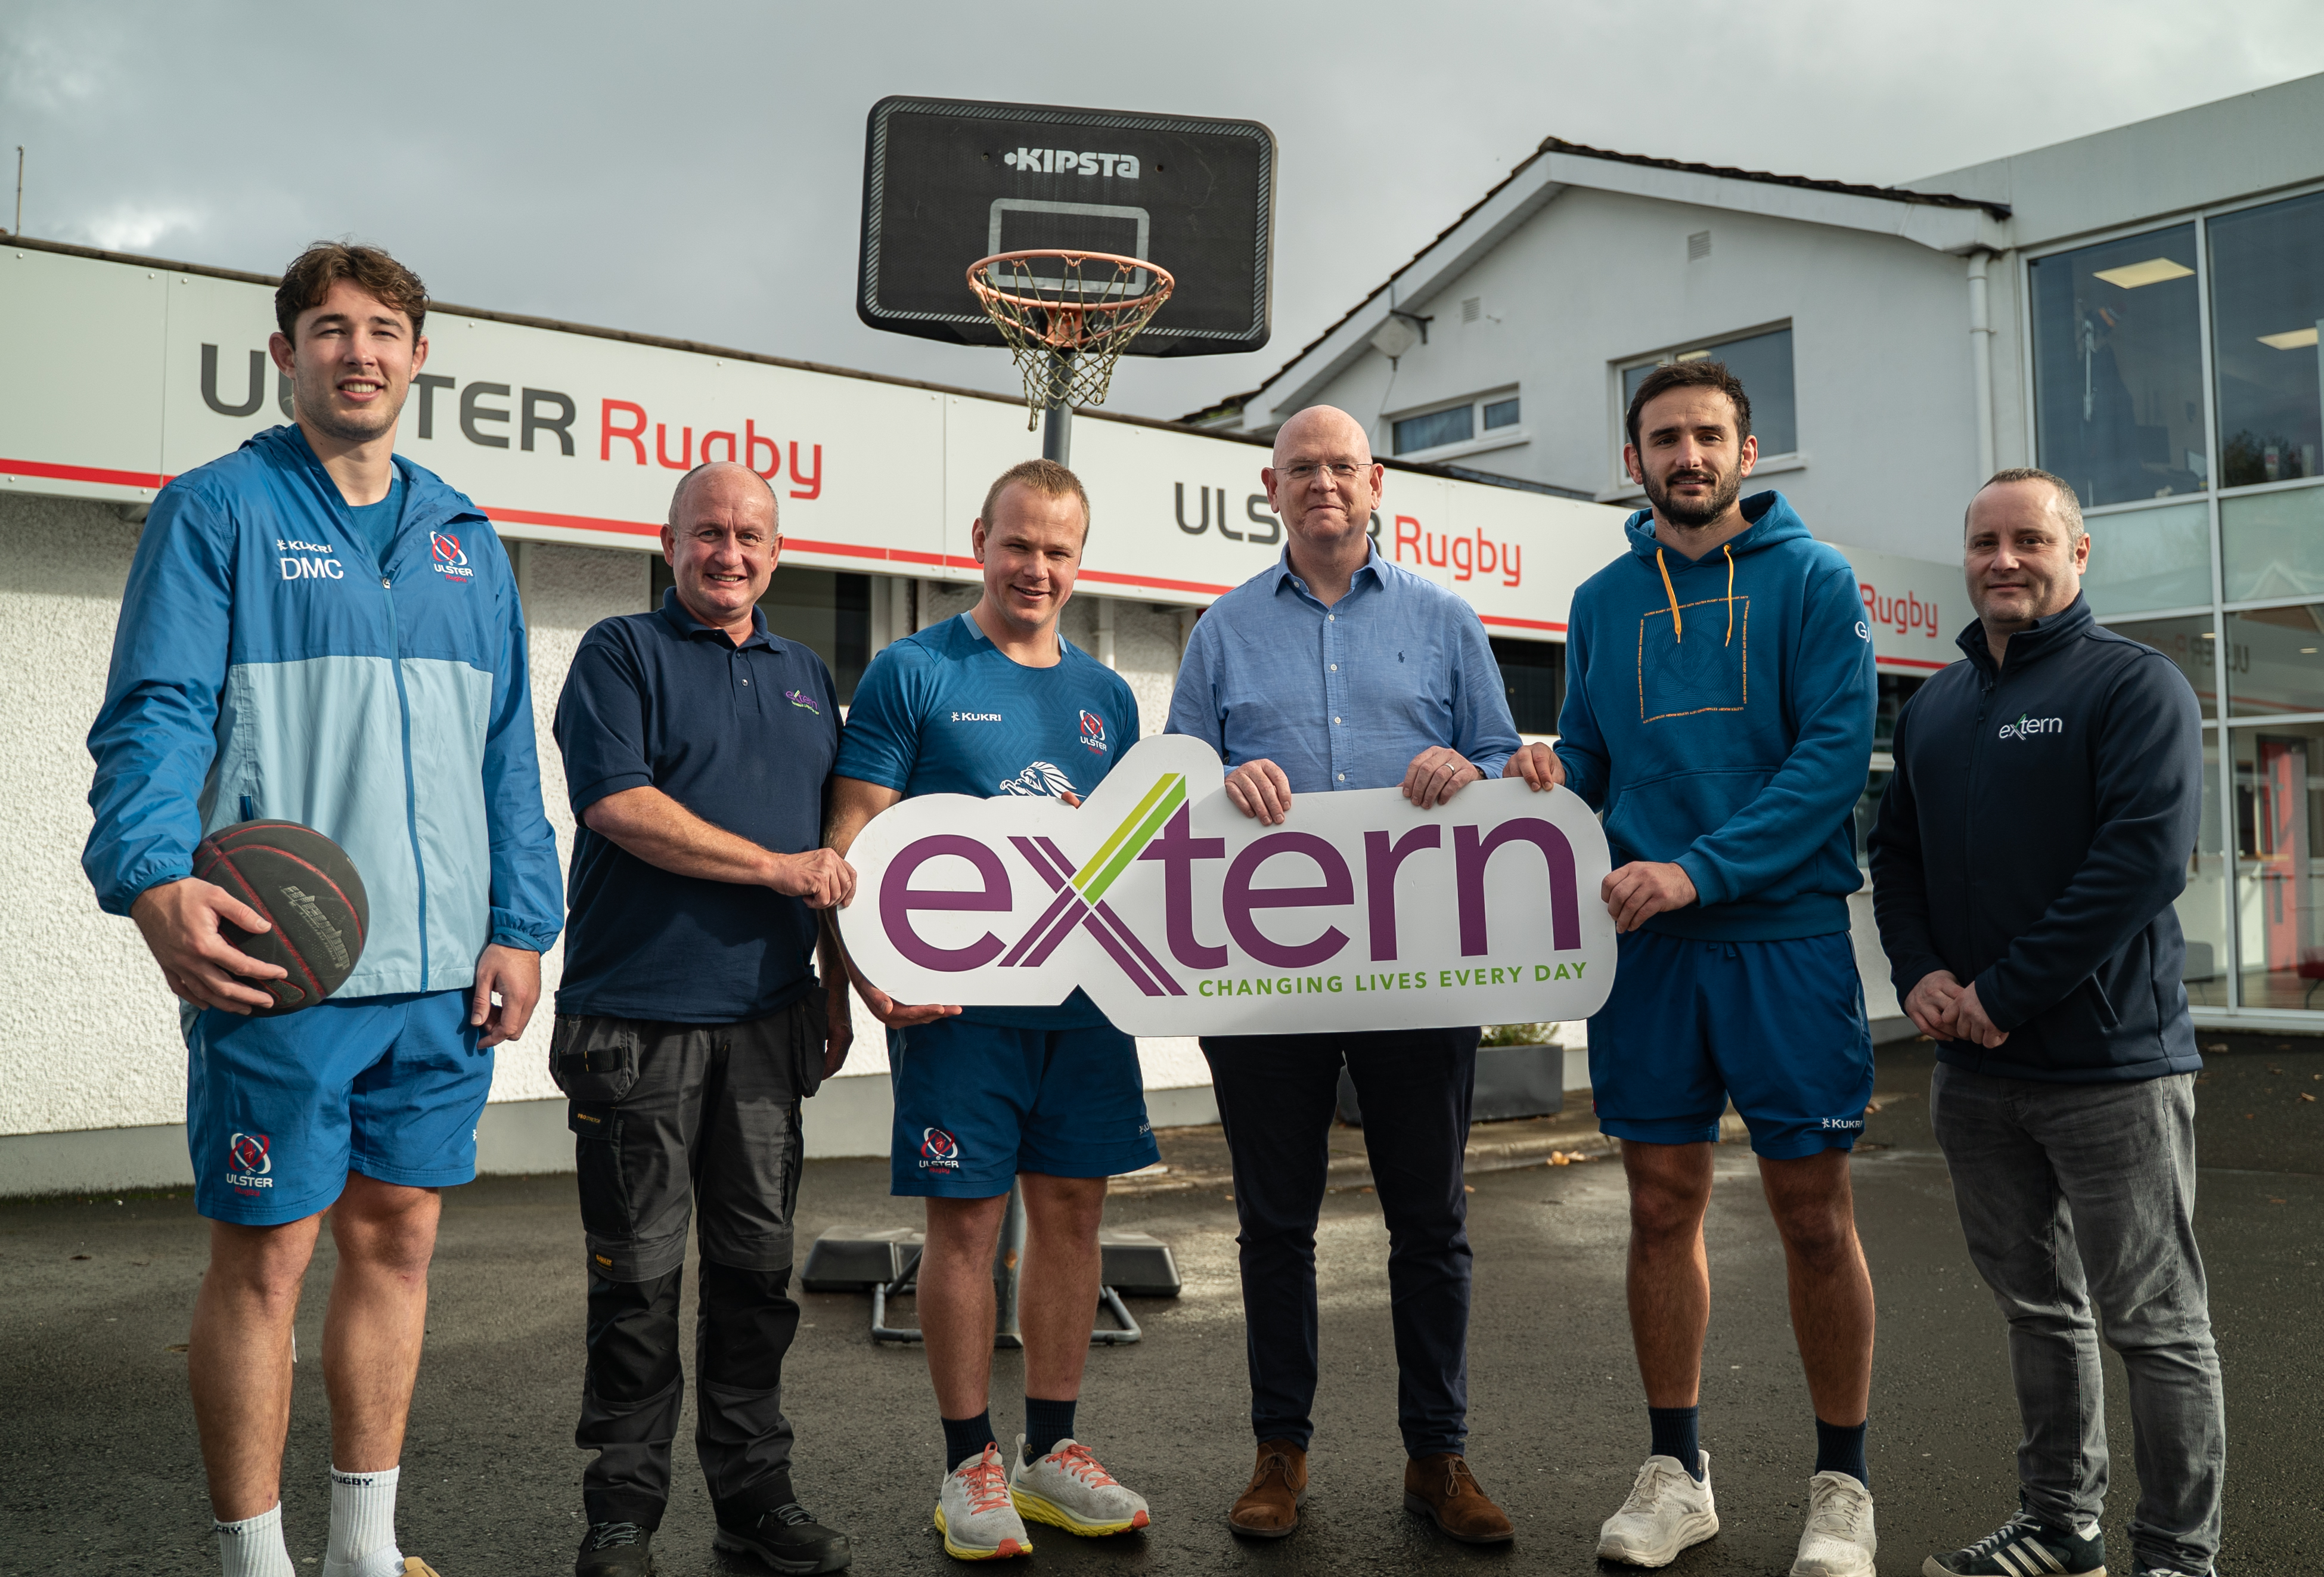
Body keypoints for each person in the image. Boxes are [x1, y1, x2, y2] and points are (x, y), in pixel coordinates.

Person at [82, 242, 563, 1577]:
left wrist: (523, 922)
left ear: (420, 358)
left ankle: (363, 1548)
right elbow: (156, 716)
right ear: (285, 355)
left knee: (399, 1244)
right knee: (266, 1261)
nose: (361, 351)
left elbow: (508, 754)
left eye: (386, 330)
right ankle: (253, 1562)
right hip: (282, 966)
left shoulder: (467, 535)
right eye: (332, 329)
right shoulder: (217, 509)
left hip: (436, 974)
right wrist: (152, 878)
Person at [1166, 403, 1546, 1547]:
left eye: (1342, 466)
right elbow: (1180, 776)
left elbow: (1503, 758)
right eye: (1301, 469)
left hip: (1417, 972)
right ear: (1269, 489)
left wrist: (1468, 767)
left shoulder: (1445, 620)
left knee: (1429, 1221)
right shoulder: (1222, 632)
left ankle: (1440, 1456)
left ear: (1376, 483)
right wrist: (1222, 783)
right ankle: (1280, 1452)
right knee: (1273, 1224)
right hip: (1264, 976)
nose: (1323, 483)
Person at [1554, 360, 1879, 1576]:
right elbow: (1590, 756)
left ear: (1749, 451)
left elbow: (1833, 761)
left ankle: (1842, 1484)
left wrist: (1696, 868)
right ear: (1631, 460)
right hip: (1648, 957)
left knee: (1812, 1218)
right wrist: (1535, 781)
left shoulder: (1816, 580)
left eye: (1707, 436)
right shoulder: (1601, 598)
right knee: (1657, 1207)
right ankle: (1677, 1472)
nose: (1686, 457)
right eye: (1662, 439)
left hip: (1781, 942)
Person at [1870, 469, 2221, 1577]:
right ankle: (2060, 1527)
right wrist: (1921, 973)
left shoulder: (2135, 686)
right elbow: (1899, 859)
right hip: (1976, 1077)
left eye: (2030, 539)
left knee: (2155, 1325)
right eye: (1985, 542)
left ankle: (2176, 1553)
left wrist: (2000, 992)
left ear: (2079, 554)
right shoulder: (1936, 703)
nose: (2004, 560)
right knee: (2039, 1311)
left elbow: (2138, 865)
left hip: (2114, 1069)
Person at [824, 458, 1157, 1562]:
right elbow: (854, 836)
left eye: (1059, 550)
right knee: (964, 1231)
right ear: (980, 539)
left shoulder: (1108, 697)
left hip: (1083, 1009)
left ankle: (1052, 1454)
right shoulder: (913, 670)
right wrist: (865, 968)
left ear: (1081, 559)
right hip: (959, 1014)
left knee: (1072, 1219)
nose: (1037, 567)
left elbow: (1128, 862)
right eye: (1019, 544)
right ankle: (968, 1463)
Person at [549, 461, 857, 1576]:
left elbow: (831, 847)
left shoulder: (807, 673)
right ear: (668, 543)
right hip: (638, 1020)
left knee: (756, 1273)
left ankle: (753, 1497)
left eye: (751, 536)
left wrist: (831, 972)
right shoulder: (620, 654)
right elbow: (621, 806)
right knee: (635, 1282)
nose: (730, 553)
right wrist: (779, 871)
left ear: (778, 552)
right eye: (708, 533)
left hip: (769, 1024)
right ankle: (622, 1514)